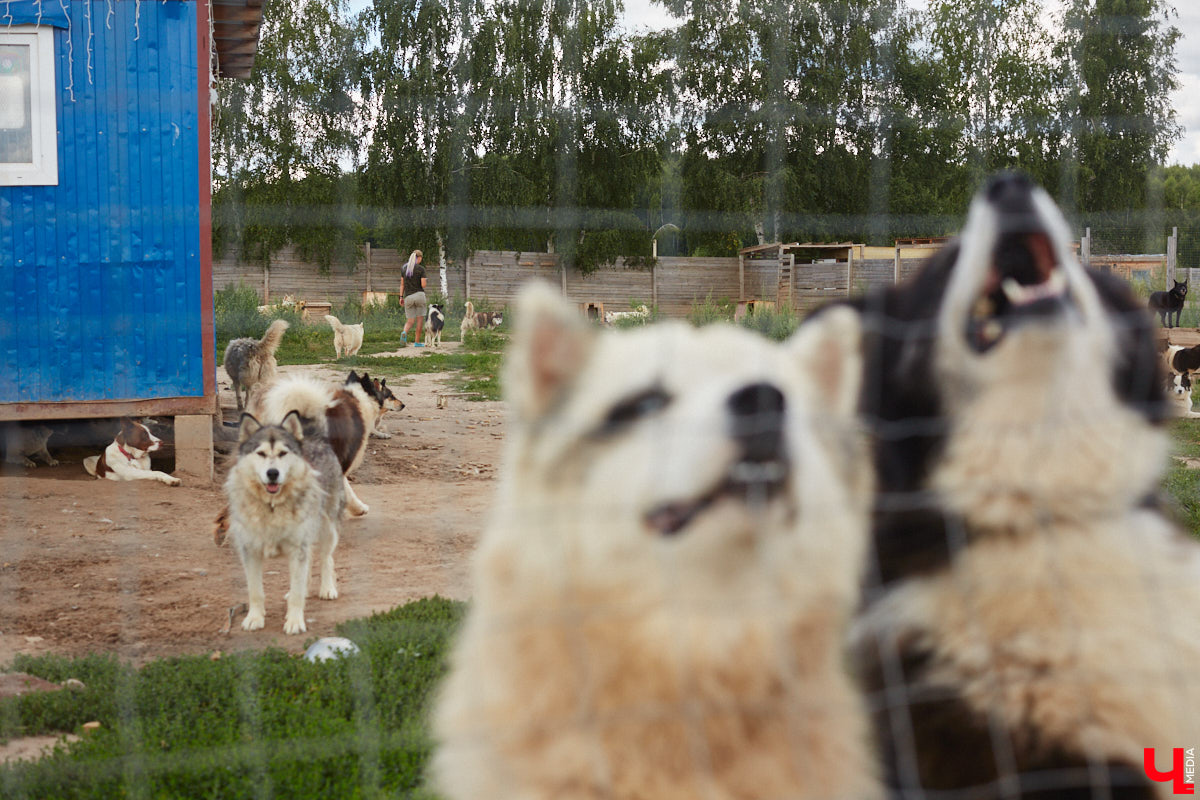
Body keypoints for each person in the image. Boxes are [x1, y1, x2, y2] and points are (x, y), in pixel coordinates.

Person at [400, 250, 426, 347]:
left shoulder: (404, 269)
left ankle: (404, 333)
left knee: (410, 321)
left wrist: (401, 297)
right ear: (419, 258)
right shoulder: (421, 269)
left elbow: (402, 285)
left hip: (408, 297)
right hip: (419, 295)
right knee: (419, 320)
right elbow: (423, 285)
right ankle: (417, 342)